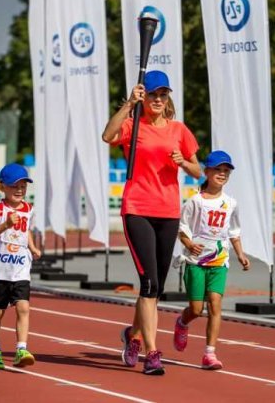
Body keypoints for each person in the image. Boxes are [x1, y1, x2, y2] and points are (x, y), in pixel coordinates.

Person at [102, 70, 201, 375]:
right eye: (153, 95)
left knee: (154, 290)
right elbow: (108, 136)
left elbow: (198, 171)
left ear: (168, 98)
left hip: (168, 212)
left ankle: (132, 336)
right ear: (145, 97)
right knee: (149, 283)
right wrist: (128, 104)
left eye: (163, 95)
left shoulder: (178, 130)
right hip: (137, 210)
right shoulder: (133, 125)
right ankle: (152, 353)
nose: (158, 100)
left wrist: (183, 162)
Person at [172, 150, 250, 370]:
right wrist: (188, 244)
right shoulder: (195, 201)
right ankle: (182, 322)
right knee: (196, 310)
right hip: (196, 261)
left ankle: (210, 353)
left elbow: (234, 231)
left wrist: (241, 254)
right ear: (207, 172)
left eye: (226, 171)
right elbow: (181, 226)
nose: (222, 174)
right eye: (218, 170)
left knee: (215, 304)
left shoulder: (231, 203)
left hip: (219, 261)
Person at [0, 163, 41, 369]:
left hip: (21, 267)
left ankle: (21, 349)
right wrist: (6, 224)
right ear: (2, 187)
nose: (20, 190)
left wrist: (33, 247)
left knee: (23, 307)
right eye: (15, 186)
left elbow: (26, 231)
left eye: (23, 185)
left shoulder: (29, 209)